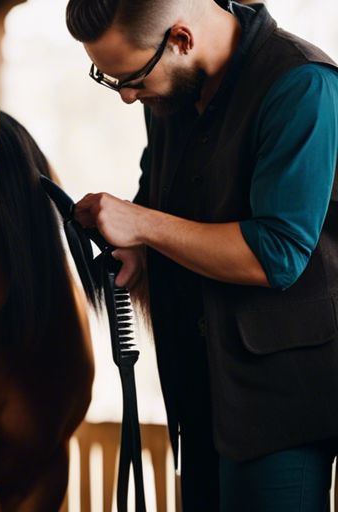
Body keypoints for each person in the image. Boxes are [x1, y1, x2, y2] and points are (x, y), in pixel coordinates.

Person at [64, 0, 338, 510]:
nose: (126, 95)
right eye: (111, 79)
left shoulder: (301, 85)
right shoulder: (170, 94)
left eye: (132, 77)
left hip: (281, 410)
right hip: (198, 393)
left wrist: (142, 224)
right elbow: (164, 205)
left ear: (182, 39)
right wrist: (138, 252)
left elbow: (277, 255)